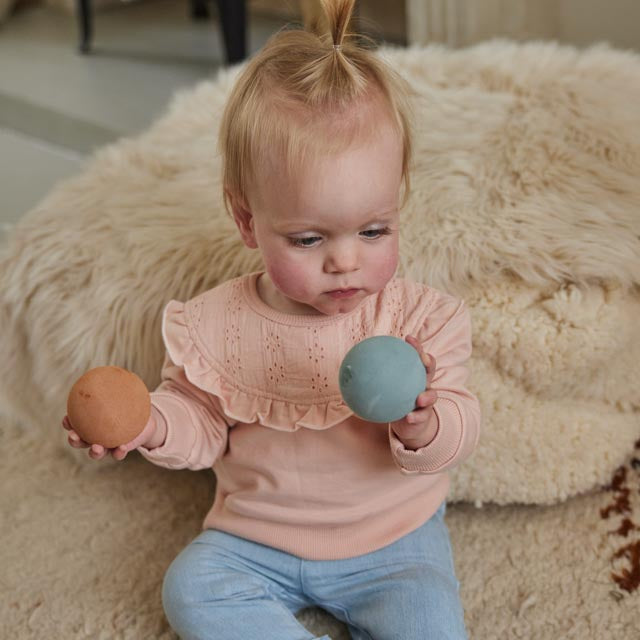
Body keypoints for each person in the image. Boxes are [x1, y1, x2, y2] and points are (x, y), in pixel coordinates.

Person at [62, 0, 481, 637]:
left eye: (373, 230)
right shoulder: (216, 324)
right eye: (309, 240)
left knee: (433, 626)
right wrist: (148, 422)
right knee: (191, 589)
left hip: (395, 542)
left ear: (399, 203)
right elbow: (202, 429)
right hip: (256, 540)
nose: (346, 262)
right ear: (247, 221)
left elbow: (460, 430)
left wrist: (425, 420)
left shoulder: (420, 319)